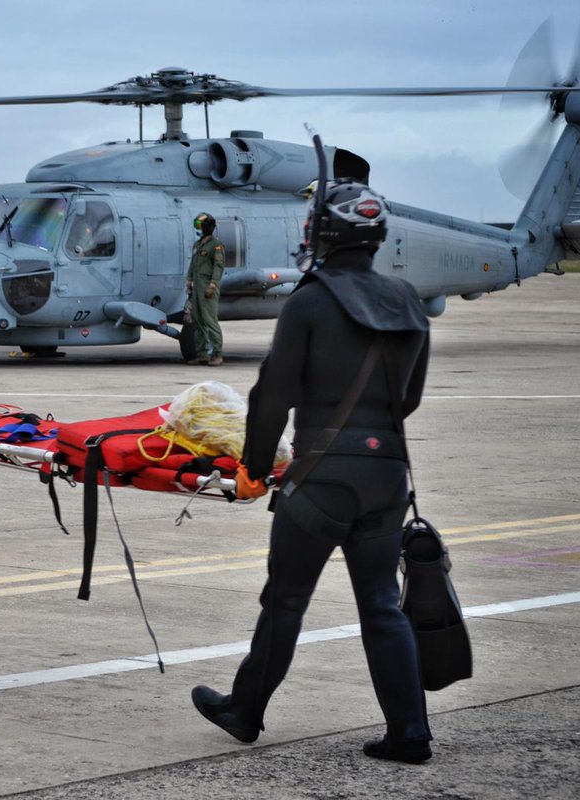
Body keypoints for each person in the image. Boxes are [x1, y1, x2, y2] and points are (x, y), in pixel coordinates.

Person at [190, 180, 434, 763]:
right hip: (387, 476)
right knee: (382, 604)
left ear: (322, 232)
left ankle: (245, 711)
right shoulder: (408, 301)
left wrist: (253, 469)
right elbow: (409, 399)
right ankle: (410, 732)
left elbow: (273, 396)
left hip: (321, 477)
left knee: (287, 601)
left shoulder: (309, 301)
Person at [185, 212, 225, 366]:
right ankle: (202, 354)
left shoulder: (216, 246)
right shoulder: (198, 245)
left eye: (199, 225)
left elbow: (218, 266)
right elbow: (193, 264)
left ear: (207, 227)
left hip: (208, 287)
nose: (198, 228)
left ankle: (217, 354)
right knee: (198, 320)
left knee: (210, 321)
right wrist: (189, 279)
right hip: (197, 287)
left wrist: (213, 284)